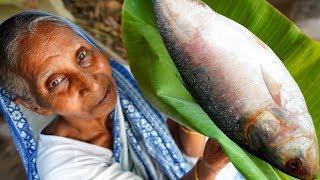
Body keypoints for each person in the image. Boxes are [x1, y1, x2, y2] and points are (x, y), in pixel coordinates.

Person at [0, 11, 241, 180]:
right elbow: (201, 160)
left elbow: (187, 146)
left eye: (82, 55)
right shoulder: (64, 168)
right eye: (57, 81)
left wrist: (191, 105)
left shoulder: (124, 81)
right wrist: (208, 167)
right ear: (34, 106)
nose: (92, 84)